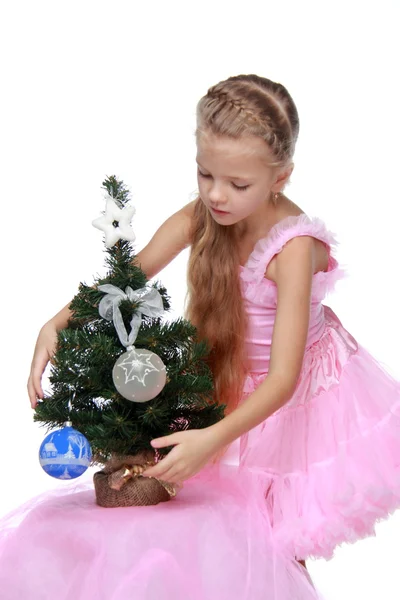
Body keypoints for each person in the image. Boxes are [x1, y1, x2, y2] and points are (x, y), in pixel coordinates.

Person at [16, 73, 398, 589]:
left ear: (280, 177)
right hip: (225, 377)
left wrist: (212, 439)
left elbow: (283, 379)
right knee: (207, 524)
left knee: (274, 539)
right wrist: (58, 321)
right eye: (205, 175)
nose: (216, 196)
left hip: (295, 401)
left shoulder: (293, 249)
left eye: (238, 185)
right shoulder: (204, 215)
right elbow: (132, 274)